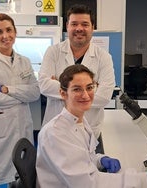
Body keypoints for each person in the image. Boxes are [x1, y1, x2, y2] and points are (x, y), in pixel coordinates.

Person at [36, 64, 147, 188]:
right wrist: (142, 181)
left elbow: (81, 158)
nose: (85, 95)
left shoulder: (79, 121)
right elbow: (86, 184)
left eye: (89, 87)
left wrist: (100, 160)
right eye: (77, 89)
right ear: (63, 93)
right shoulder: (56, 133)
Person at [0, 13, 40, 188]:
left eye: (9, 30)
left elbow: (34, 93)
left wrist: (8, 90)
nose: (5, 36)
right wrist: (21, 97)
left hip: (21, 126)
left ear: (15, 32)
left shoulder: (24, 61)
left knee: (19, 177)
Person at [38, 4, 115, 140]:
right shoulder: (53, 52)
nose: (79, 28)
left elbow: (104, 97)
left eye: (85, 24)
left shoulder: (103, 57)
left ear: (92, 27)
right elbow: (44, 85)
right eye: (74, 24)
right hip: (56, 130)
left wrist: (61, 86)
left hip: (87, 130)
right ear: (67, 26)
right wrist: (90, 89)